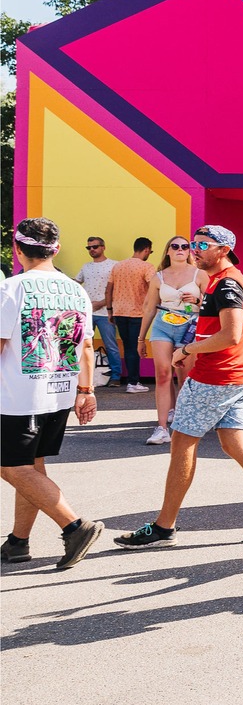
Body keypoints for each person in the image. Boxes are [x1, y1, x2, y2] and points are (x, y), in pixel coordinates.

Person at [115, 224, 243, 549]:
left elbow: (230, 334)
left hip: (215, 377)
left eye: (203, 245)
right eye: (193, 243)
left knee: (182, 444)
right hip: (235, 375)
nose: (195, 250)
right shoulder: (222, 281)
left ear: (223, 250)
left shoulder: (227, 284)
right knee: (236, 444)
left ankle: (163, 527)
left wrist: (187, 350)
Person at [0, 219, 103, 570]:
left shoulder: (11, 288)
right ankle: (18, 541)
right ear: (56, 249)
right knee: (32, 466)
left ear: (17, 248)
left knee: (13, 467)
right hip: (58, 391)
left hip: (18, 396)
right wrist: (86, 391)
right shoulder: (76, 290)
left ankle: (74, 527)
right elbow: (86, 346)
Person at [141, 238, 202, 445]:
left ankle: (183, 423)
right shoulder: (158, 276)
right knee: (163, 375)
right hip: (163, 325)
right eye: (175, 246)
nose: (180, 250)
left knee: (184, 378)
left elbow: (211, 305)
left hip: (189, 327)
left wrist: (197, 300)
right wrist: (141, 338)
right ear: (167, 251)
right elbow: (149, 308)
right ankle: (161, 428)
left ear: (189, 251)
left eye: (185, 246)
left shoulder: (199, 274)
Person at [108, 240, 157, 395]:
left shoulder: (118, 266)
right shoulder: (147, 267)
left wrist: (109, 310)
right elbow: (155, 286)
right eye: (150, 251)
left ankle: (132, 381)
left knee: (128, 347)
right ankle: (133, 382)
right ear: (146, 249)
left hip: (119, 311)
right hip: (137, 312)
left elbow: (109, 289)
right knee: (136, 346)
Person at [77, 237, 121, 390]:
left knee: (111, 345)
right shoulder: (86, 266)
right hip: (87, 312)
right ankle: (81, 378)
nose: (92, 250)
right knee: (82, 344)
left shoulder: (114, 265)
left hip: (105, 312)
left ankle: (115, 376)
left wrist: (102, 303)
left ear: (103, 247)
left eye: (95, 246)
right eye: (88, 247)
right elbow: (77, 282)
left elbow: (118, 289)